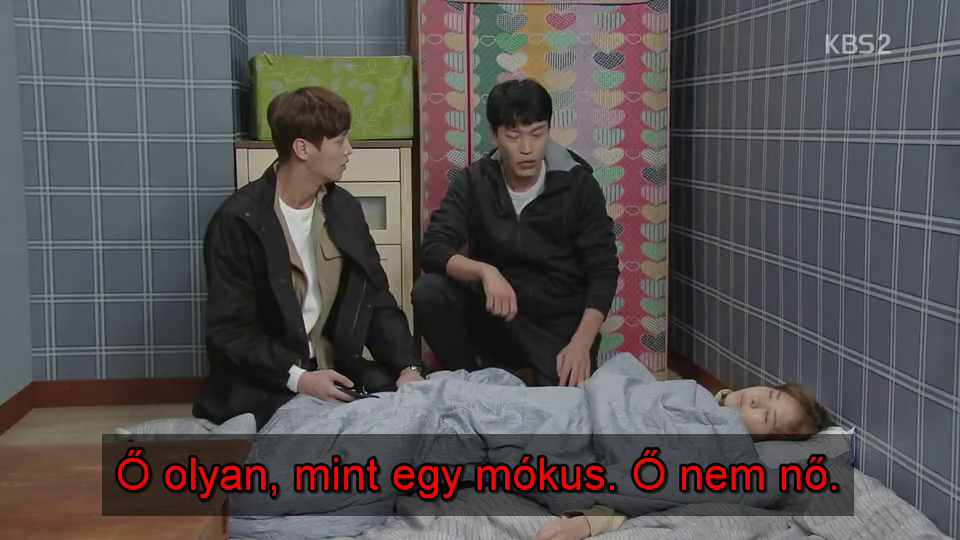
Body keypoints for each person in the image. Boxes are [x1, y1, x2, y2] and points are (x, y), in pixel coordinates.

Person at [194, 86, 424, 430]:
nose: (349, 150)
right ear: (302, 148)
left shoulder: (343, 208)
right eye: (339, 140)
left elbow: (376, 297)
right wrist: (299, 378)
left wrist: (408, 368)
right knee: (308, 432)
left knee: (410, 410)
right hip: (269, 378)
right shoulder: (239, 220)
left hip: (334, 367)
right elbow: (230, 331)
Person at [412, 79, 619, 387]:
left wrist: (581, 344)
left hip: (559, 324)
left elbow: (603, 271)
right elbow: (433, 249)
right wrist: (485, 272)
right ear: (494, 134)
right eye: (513, 135)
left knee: (562, 408)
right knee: (429, 291)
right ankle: (471, 382)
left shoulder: (577, 184)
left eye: (537, 133)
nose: (527, 148)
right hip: (498, 318)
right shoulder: (475, 181)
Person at [533, 382, 832, 540]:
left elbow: (656, 486)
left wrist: (588, 522)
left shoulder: (720, 448)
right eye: (768, 393)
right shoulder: (695, 393)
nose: (756, 400)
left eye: (766, 416)